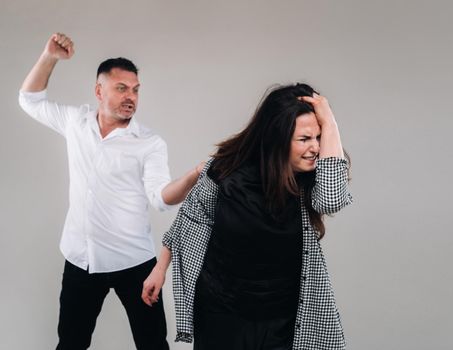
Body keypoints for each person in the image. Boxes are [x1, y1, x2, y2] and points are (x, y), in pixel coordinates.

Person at [18, 33, 201, 350]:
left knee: (153, 344)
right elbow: (29, 100)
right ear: (99, 91)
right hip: (81, 259)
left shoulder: (149, 143)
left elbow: (160, 199)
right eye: (121, 88)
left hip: (135, 262)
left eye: (135, 90)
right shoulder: (77, 122)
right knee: (71, 343)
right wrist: (49, 56)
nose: (131, 96)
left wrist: (193, 177)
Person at [143, 83, 353, 349]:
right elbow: (189, 218)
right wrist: (159, 269)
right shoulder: (226, 172)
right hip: (221, 312)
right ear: (276, 138)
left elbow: (332, 201)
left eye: (319, 137)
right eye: (304, 139)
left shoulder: (309, 182)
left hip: (282, 317)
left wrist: (330, 120)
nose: (315, 148)